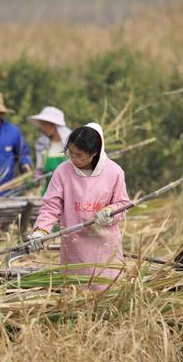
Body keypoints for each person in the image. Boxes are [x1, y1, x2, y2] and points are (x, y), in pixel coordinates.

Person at [26, 123, 131, 289]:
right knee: (76, 294)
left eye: (80, 155)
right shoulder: (63, 172)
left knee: (106, 293)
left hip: (104, 245)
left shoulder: (114, 172)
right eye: (71, 153)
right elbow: (51, 206)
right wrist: (41, 231)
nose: (74, 159)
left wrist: (109, 211)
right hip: (75, 246)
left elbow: (123, 203)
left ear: (94, 153)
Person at [28, 106, 72, 194]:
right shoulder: (42, 145)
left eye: (45, 125)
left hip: (68, 192)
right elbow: (39, 167)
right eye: (42, 125)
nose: (42, 128)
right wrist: (37, 176)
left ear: (54, 125)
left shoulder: (71, 145)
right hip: (49, 192)